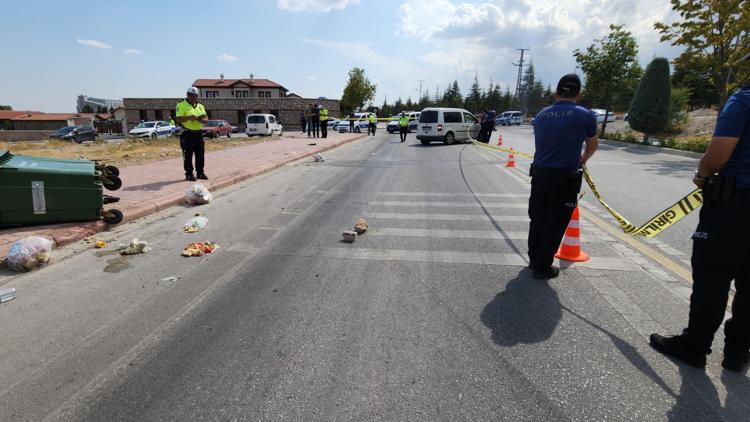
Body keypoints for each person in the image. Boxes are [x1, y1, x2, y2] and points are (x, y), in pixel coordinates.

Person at [650, 61, 750, 372]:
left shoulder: (743, 100)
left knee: (713, 278)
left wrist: (703, 174)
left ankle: (695, 346)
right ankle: (737, 353)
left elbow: (718, 155)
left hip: (735, 206)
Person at [527, 74, 598, 279]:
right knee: (555, 221)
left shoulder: (541, 115)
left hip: (540, 175)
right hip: (564, 179)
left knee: (538, 218)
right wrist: (582, 160)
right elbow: (592, 143)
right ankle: (543, 266)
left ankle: (534, 259)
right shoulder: (585, 115)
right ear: (578, 94)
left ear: (556, 92)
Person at [175, 86, 209, 181]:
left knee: (200, 154)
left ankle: (200, 173)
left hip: (198, 133)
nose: (193, 98)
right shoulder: (181, 105)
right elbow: (178, 118)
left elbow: (206, 119)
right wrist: (189, 117)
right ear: (187, 95)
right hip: (187, 133)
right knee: (188, 155)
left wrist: (199, 118)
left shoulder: (200, 106)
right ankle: (189, 174)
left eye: (195, 96)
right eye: (191, 96)